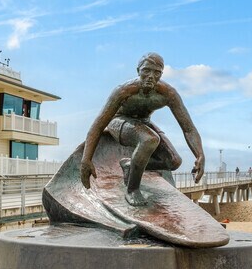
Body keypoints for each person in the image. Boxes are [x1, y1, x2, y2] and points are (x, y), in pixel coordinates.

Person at [80, 52, 205, 206]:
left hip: (143, 122)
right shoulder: (124, 90)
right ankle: (132, 190)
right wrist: (86, 159)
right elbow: (98, 124)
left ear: (161, 74)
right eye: (146, 70)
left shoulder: (168, 94)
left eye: (157, 72)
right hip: (118, 121)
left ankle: (129, 165)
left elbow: (188, 128)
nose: (151, 76)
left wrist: (199, 155)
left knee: (173, 161)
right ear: (138, 70)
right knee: (149, 139)